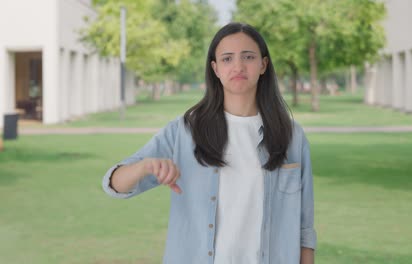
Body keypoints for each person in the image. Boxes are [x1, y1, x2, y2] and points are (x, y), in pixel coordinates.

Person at [102, 22, 316, 264]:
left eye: (248, 57)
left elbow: (304, 228)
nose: (238, 66)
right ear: (215, 68)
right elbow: (114, 185)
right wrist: (144, 166)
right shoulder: (185, 131)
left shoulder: (292, 137)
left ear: (263, 64)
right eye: (227, 59)